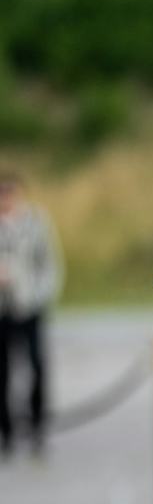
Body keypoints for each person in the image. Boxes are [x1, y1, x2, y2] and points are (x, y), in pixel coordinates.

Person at [0, 170, 62, 457]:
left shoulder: (36, 222)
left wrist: (39, 297)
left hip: (30, 307)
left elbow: (49, 263)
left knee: (37, 366)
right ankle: (7, 433)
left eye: (10, 193)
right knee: (3, 372)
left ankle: (37, 428)